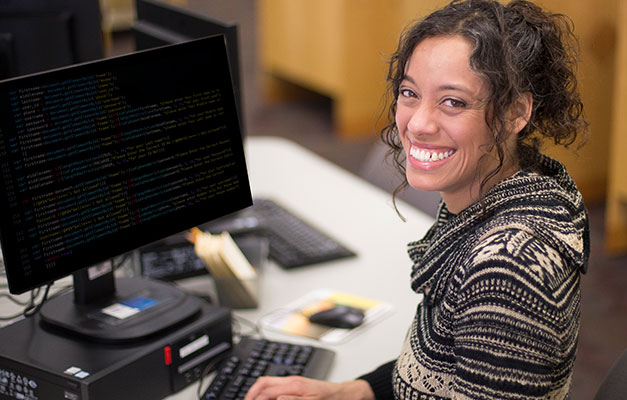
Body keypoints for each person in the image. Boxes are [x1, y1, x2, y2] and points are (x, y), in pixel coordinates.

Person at [244, 0, 590, 398]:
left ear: (515, 113)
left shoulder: (506, 271)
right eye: (410, 93)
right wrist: (352, 392)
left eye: (453, 102)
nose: (419, 123)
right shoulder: (507, 193)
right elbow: (445, 368)